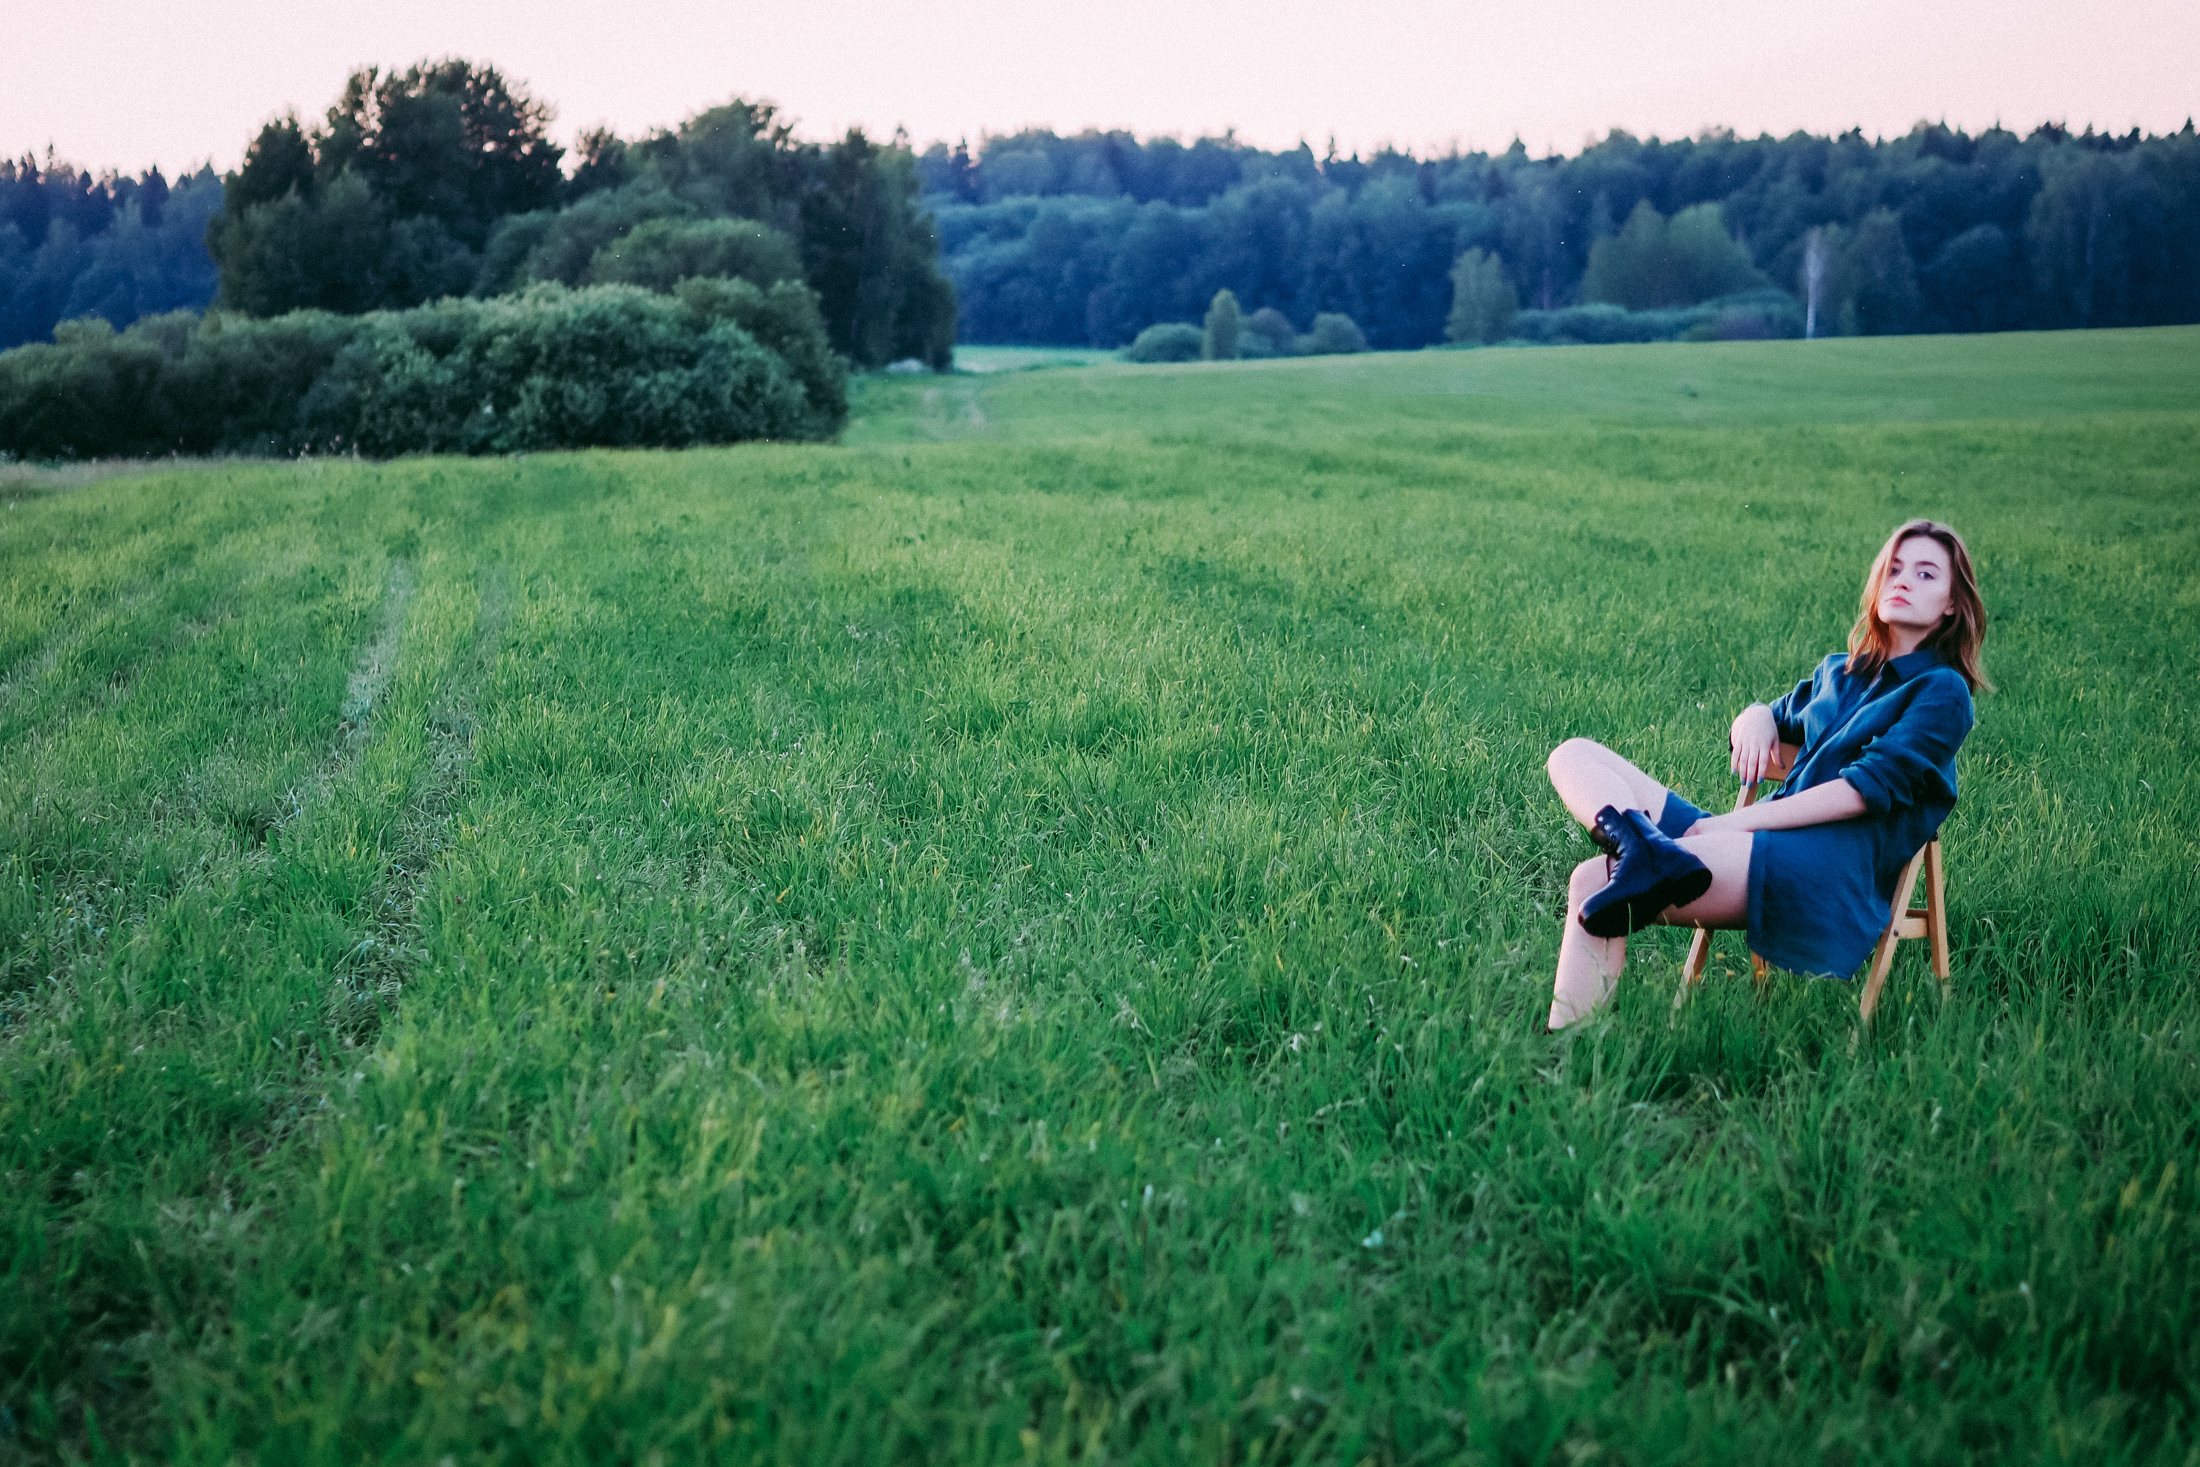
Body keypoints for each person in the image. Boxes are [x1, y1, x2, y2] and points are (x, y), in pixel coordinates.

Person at [1541, 519, 1990, 1029]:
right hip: (1763, 838)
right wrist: (1754, 715)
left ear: (1953, 603)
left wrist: (1735, 824)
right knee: (1574, 754)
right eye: (1893, 569)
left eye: (1926, 574)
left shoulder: (1942, 691)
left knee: (1592, 878)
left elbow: (1865, 790)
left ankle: (1571, 1046)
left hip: (1821, 867)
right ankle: (1644, 850)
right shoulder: (1840, 673)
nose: (1903, 581)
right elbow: (1770, 721)